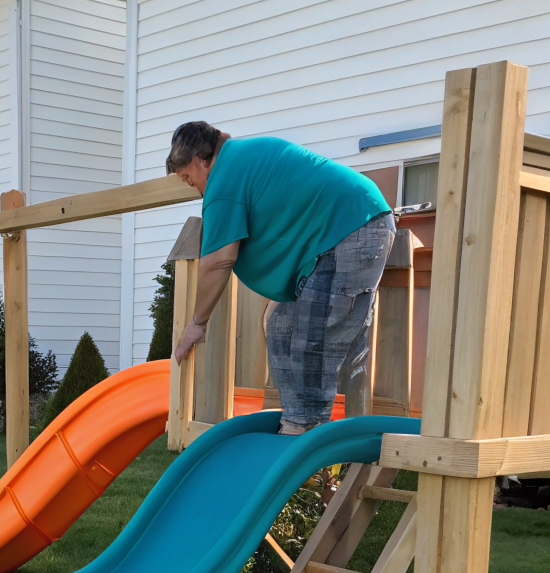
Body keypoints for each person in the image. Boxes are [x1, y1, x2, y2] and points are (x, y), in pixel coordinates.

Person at [167, 122, 395, 433]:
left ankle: (306, 427)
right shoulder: (242, 158)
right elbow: (290, 221)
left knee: (313, 339)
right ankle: (297, 419)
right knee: (281, 326)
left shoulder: (224, 178)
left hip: (354, 224)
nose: (194, 187)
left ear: (199, 160)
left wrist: (197, 323)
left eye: (188, 178)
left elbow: (219, 260)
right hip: (334, 234)